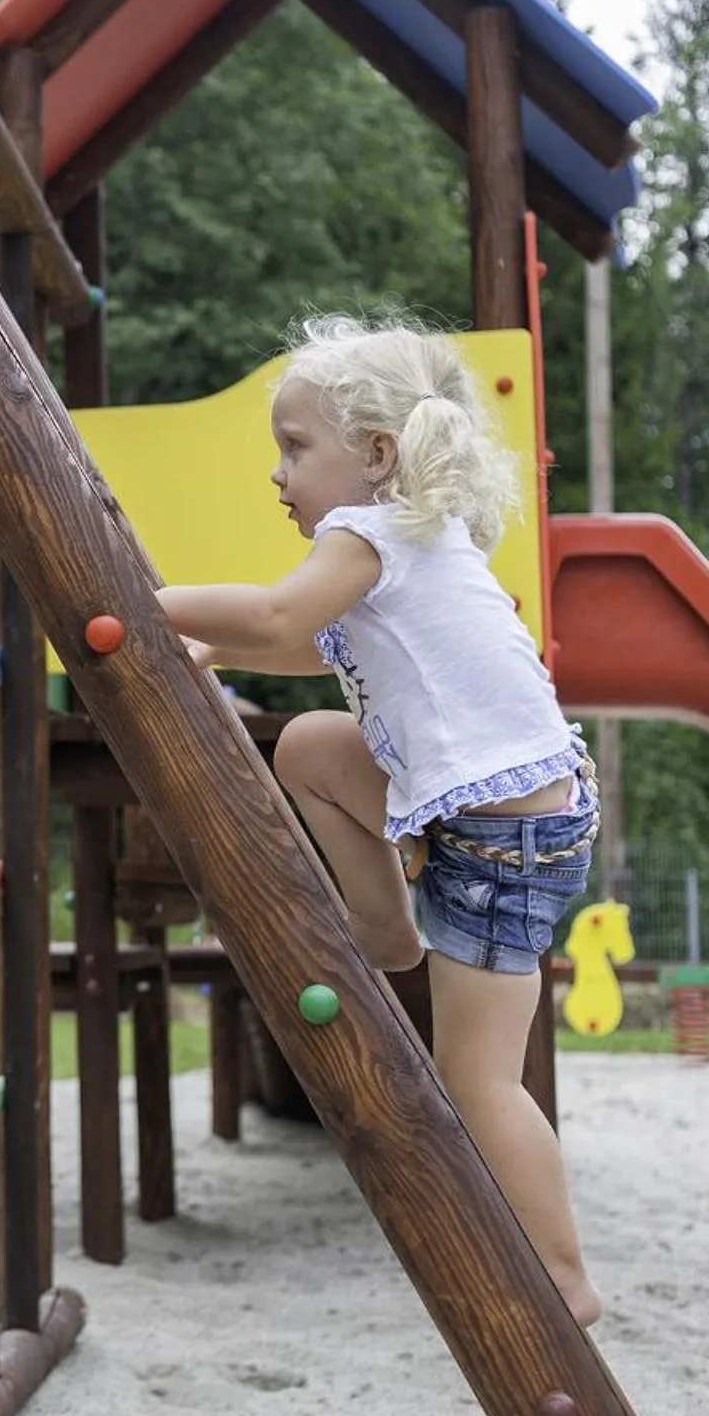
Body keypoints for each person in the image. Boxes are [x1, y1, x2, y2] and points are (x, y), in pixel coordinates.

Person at [154, 313, 603, 1327]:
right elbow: (317, 648)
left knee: (478, 1078)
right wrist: (219, 654)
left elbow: (278, 616)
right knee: (310, 745)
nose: (279, 474)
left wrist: (153, 603)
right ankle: (385, 926)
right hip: (509, 815)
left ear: (377, 455)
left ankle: (565, 1276)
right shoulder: (406, 541)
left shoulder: (369, 531)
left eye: (295, 448)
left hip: (504, 844)